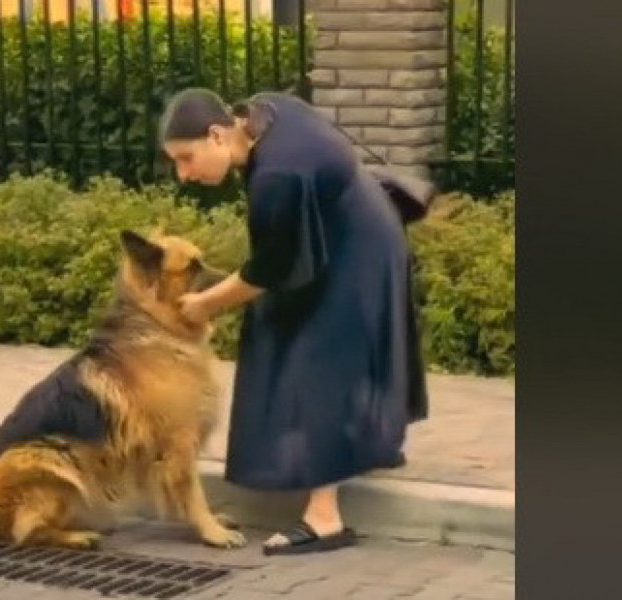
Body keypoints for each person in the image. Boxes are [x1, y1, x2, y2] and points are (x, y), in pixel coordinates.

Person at [158, 88, 429, 555]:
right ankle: (369, 444)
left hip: (356, 250)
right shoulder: (267, 110)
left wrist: (204, 304)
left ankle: (324, 519)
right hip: (358, 229)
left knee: (314, 355)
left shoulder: (277, 173)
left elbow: (271, 270)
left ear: (218, 135)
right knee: (303, 337)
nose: (184, 174)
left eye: (186, 158)